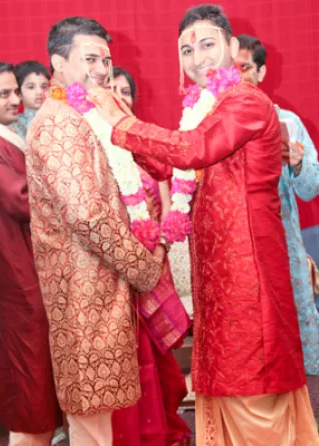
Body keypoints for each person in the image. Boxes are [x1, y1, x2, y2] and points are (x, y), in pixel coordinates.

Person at [93, 4, 319, 444]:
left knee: (253, 375)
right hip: (219, 269)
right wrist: (126, 136)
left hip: (248, 265)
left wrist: (123, 124)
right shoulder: (205, 106)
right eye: (187, 50)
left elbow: (194, 149)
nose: (198, 58)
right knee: (229, 374)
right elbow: (174, 166)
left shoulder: (246, 101)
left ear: (232, 47)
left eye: (208, 45)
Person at [25, 16, 164, 445]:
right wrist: (145, 268)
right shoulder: (60, 122)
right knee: (92, 417)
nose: (102, 70)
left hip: (96, 282)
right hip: (84, 289)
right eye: (90, 59)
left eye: (106, 60)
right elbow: (87, 215)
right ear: (58, 62)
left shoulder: (73, 112)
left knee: (96, 415)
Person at [0, 60, 62, 445]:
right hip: (21, 275)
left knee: (30, 373)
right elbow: (23, 202)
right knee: (31, 375)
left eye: (15, 91)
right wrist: (66, 184)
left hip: (17, 271)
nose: (15, 99)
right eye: (3, 93)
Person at [107, 68, 192, 446]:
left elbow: (167, 203)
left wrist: (159, 251)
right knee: (134, 354)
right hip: (120, 270)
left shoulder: (144, 146)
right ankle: (142, 431)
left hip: (155, 260)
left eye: (125, 91)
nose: (119, 96)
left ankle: (165, 423)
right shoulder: (97, 146)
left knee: (159, 356)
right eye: (112, 90)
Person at [235, 33, 319, 376]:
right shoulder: (214, 125)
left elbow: (311, 189)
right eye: (232, 69)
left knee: (301, 349)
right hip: (236, 255)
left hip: (283, 249)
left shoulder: (289, 123)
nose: (238, 76)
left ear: (262, 72)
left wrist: (297, 164)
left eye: (245, 67)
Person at [10, 60, 50, 138]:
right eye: (31, 87)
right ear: (18, 93)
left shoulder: (59, 120)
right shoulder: (12, 124)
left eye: (44, 87)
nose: (39, 92)